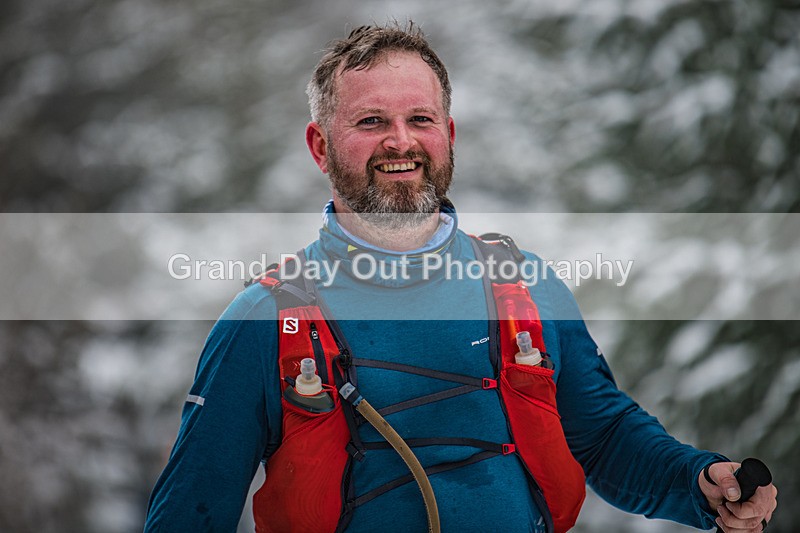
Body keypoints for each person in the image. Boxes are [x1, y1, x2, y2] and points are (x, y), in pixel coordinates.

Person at [144, 23, 778, 533]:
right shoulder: (264, 320)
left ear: (447, 136)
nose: (400, 142)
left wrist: (702, 483)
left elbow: (605, 435)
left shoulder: (526, 287)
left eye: (420, 120)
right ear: (320, 146)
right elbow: (188, 513)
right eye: (371, 122)